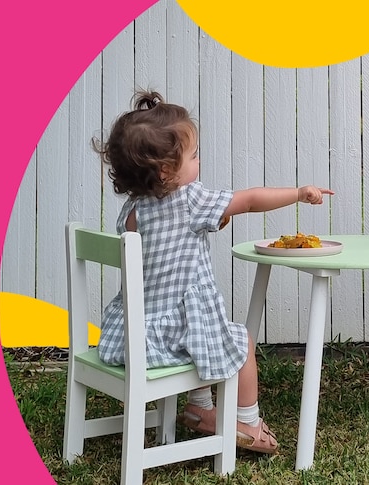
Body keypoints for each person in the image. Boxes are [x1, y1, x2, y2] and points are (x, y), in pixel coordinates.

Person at [94, 90, 334, 453]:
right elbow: (251, 200)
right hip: (174, 338)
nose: (199, 161)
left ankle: (200, 409)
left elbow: (170, 241)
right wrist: (299, 192)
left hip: (134, 333)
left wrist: (213, 220)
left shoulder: (132, 210)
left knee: (201, 326)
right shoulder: (191, 200)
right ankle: (248, 422)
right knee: (239, 341)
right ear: (165, 171)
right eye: (192, 156)